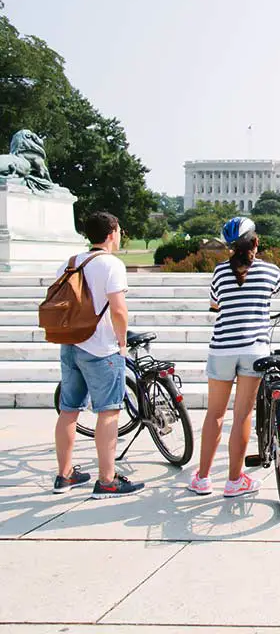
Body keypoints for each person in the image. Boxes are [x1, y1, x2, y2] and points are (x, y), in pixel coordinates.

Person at [189, 217, 280, 497]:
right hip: (254, 349)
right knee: (242, 414)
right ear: (256, 242)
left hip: (222, 348)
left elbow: (215, 305)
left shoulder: (220, 272)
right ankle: (235, 480)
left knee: (215, 415)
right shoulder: (269, 272)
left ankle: (202, 478)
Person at [53, 211, 145, 498]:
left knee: (69, 410)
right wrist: (121, 342)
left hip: (70, 345)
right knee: (108, 411)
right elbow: (118, 310)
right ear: (111, 233)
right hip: (100, 347)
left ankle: (65, 474)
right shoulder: (110, 264)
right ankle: (107, 480)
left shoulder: (69, 263)